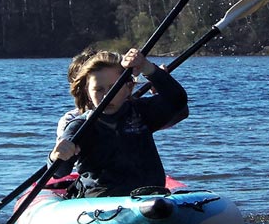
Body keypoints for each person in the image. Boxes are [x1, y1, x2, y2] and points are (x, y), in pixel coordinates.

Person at [50, 48, 187, 198]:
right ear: (87, 92)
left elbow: (178, 101)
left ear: (128, 88)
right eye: (98, 89)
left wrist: (149, 70)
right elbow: (60, 172)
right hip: (102, 199)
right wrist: (56, 156)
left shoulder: (142, 112)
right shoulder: (78, 126)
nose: (107, 96)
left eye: (113, 88)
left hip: (150, 194)